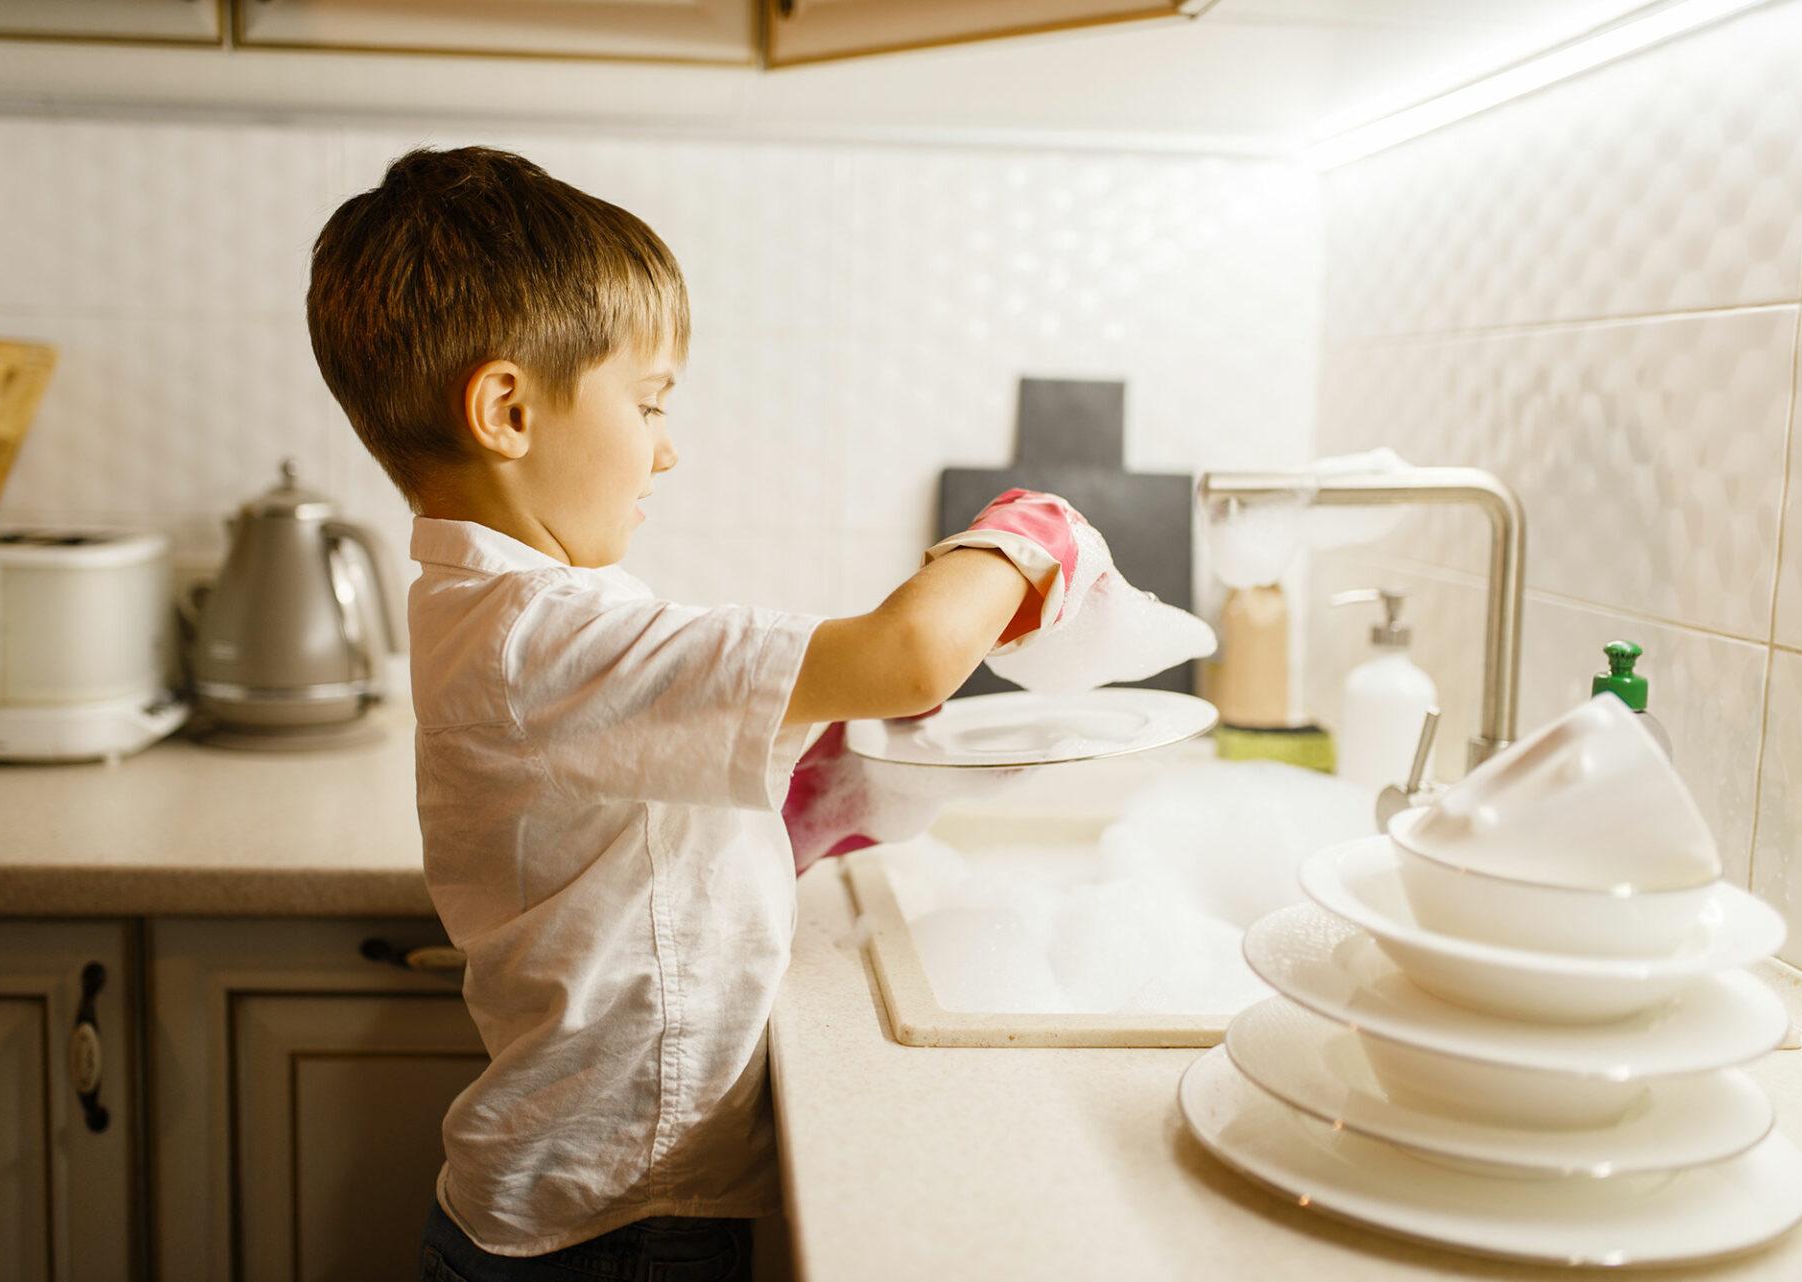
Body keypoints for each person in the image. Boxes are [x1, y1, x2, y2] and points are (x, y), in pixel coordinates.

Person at [306, 145, 1187, 1282]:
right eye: (650, 399)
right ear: (508, 409)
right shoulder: (534, 630)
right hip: (612, 1226)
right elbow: (906, 656)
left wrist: (807, 800)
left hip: (607, 1202)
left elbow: (642, 806)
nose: (667, 444)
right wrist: (1031, 534)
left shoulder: (514, 615)